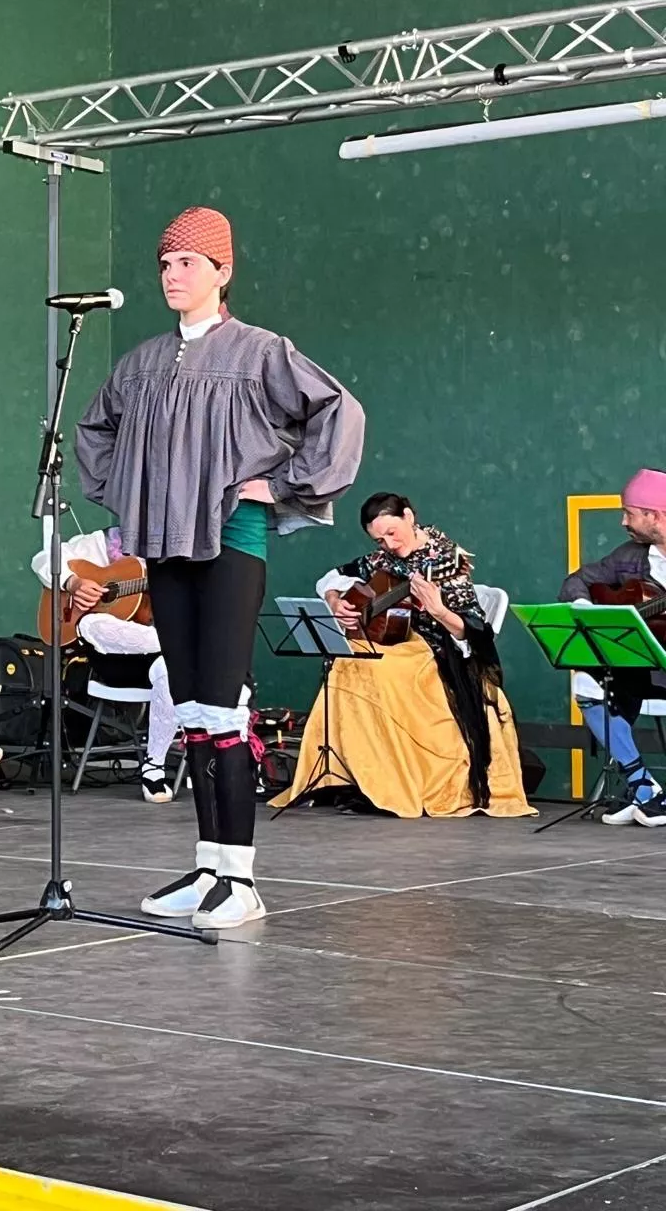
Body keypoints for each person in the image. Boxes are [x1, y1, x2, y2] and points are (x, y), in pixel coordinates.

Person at [76, 206, 364, 928]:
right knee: (192, 703)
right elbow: (94, 431)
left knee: (226, 702)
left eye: (189, 264)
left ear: (223, 272)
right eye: (166, 264)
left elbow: (339, 412)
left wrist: (283, 483)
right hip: (165, 545)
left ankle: (242, 878)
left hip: (234, 541)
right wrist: (130, 490)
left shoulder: (263, 351)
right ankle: (209, 864)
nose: (173, 275)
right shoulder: (140, 362)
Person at [273, 492, 533, 820]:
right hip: (398, 644)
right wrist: (335, 600)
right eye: (379, 539)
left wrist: (438, 609)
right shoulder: (383, 559)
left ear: (409, 516)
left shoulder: (445, 561)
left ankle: (390, 780)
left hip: (438, 651)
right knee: (347, 658)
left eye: (392, 533)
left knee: (375, 669)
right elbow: (334, 576)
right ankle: (353, 775)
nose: (389, 544)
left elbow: (475, 630)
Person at [32, 525, 178, 802]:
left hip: (165, 662)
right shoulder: (107, 542)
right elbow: (43, 558)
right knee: (93, 622)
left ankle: (154, 767)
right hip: (113, 660)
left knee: (169, 670)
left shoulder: (182, 552)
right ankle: (178, 645)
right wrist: (73, 583)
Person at [559, 467, 666, 827]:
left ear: (655, 516)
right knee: (587, 683)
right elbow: (579, 580)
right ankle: (642, 786)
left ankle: (641, 791)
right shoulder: (631, 556)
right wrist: (586, 608)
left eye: (630, 513)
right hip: (646, 665)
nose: (624, 521)